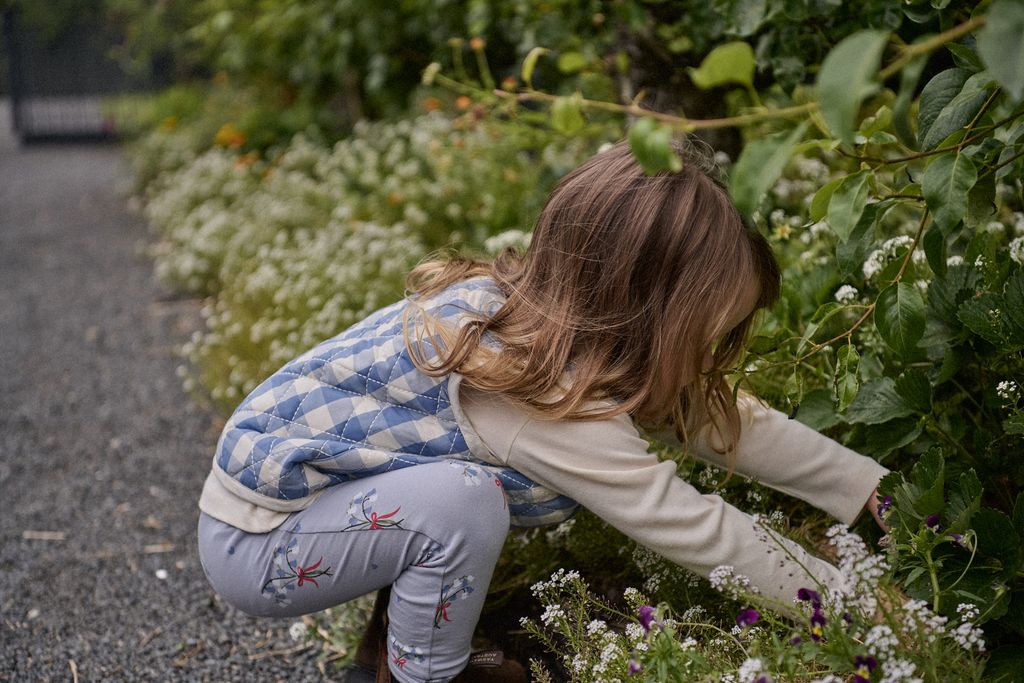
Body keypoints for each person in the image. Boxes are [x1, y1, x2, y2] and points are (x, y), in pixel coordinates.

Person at [196, 138, 888, 683]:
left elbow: (715, 416)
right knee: (462, 502)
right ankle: (425, 673)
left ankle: (390, 645)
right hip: (262, 543)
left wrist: (866, 490)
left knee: (447, 497)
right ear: (645, 319)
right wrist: (863, 608)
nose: (711, 353)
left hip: (315, 510)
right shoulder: (543, 400)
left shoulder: (549, 323)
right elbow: (699, 530)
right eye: (704, 336)